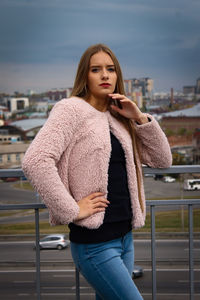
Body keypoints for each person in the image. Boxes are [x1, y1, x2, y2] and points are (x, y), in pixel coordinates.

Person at [22, 43, 172, 300]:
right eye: (96, 69)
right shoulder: (71, 109)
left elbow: (162, 160)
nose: (105, 75)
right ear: (85, 75)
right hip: (95, 243)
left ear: (118, 75)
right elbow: (35, 160)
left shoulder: (118, 116)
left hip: (125, 238)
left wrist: (139, 118)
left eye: (111, 69)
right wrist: (71, 209)